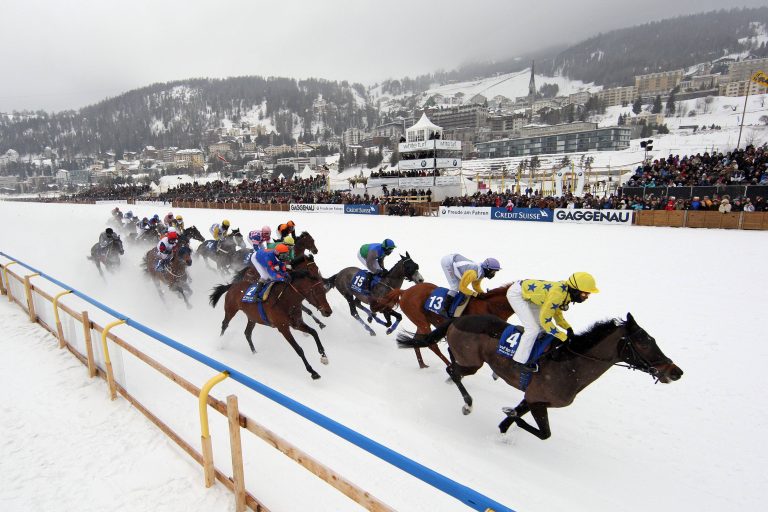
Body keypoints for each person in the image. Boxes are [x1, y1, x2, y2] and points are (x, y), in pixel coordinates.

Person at [505, 272, 599, 372]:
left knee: (540, 329)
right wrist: (562, 336)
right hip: (517, 294)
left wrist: (567, 328)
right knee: (533, 329)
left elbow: (556, 313)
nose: (586, 297)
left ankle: (532, 353)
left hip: (531, 297)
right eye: (584, 293)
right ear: (575, 290)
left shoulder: (565, 292)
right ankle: (518, 362)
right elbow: (545, 320)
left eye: (588, 294)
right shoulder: (557, 295)